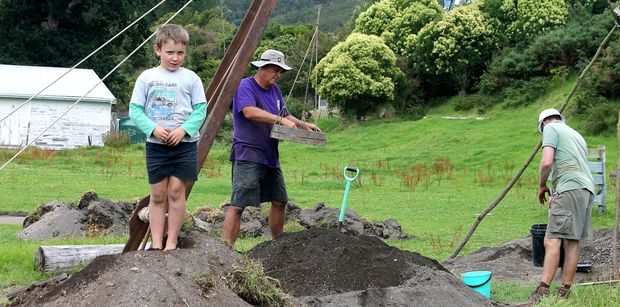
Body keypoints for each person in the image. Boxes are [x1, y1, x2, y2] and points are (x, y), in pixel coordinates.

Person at [223, 49, 320, 246]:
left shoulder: (275, 90)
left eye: (280, 71)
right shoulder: (245, 86)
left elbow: (285, 115)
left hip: (270, 154)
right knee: (239, 204)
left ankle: (277, 246)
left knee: (280, 200)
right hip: (248, 152)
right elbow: (249, 111)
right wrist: (279, 120)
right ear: (262, 67)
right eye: (275, 70)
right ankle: (226, 250)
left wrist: (304, 125)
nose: (278, 75)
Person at [129, 24, 207, 251]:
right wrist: (153, 129)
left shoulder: (191, 79)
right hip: (157, 146)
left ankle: (171, 241)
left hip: (184, 146)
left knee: (176, 191)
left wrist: (184, 130)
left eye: (180, 53)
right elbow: (135, 110)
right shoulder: (146, 77)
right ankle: (155, 243)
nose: (175, 58)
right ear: (158, 50)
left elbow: (200, 110)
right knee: (158, 193)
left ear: (185, 53)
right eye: (170, 52)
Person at [520, 108, 595, 305]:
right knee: (572, 241)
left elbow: (546, 163)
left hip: (570, 187)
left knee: (552, 240)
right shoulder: (576, 135)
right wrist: (557, 190)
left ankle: (543, 290)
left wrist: (542, 186)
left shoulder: (550, 129)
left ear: (543, 124)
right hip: (586, 189)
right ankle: (564, 293)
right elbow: (572, 164)